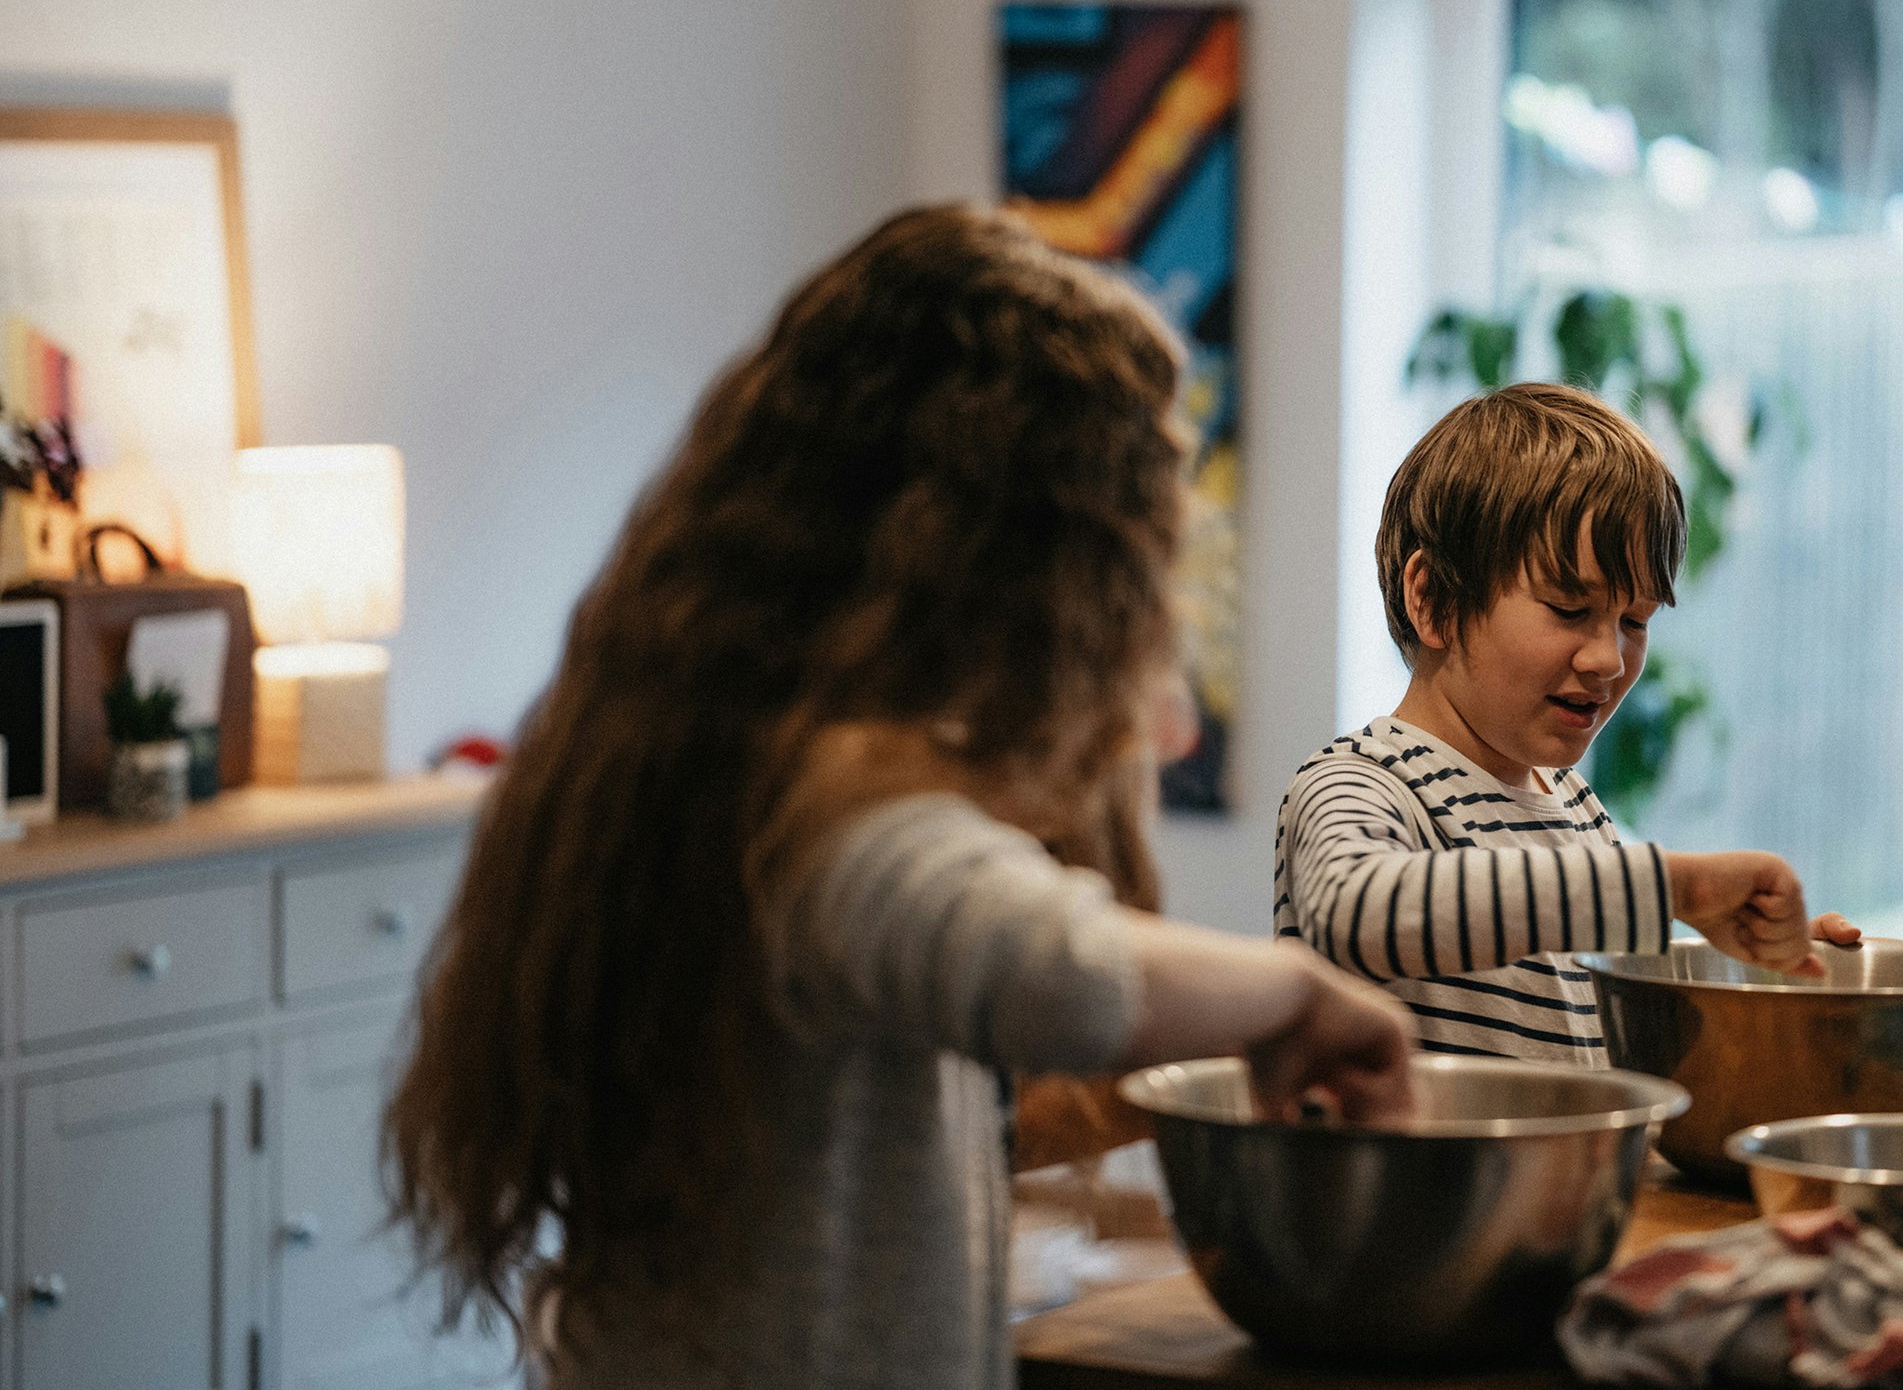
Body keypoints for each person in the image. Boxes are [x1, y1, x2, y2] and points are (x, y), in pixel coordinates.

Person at [386, 205, 1415, 1390]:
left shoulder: (700, 740)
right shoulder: (826, 808)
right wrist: (1296, 993)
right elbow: (1052, 968)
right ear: (1019, 563)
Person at [1274, 382, 1857, 1064]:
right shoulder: (1361, 783)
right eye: (1568, 608)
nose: (1610, 657)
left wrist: (1754, 961)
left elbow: (1582, 971)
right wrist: (1675, 886)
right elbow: (1356, 912)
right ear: (1431, 599)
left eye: (1634, 621)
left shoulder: (1574, 804)